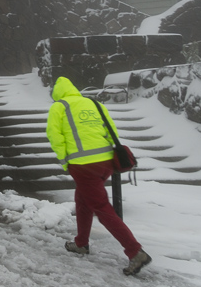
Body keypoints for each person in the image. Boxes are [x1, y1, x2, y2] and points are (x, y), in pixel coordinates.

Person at [46, 76, 152, 276]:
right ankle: (81, 243)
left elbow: (55, 136)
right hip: (105, 162)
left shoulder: (59, 107)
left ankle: (135, 251)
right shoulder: (92, 102)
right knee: (83, 200)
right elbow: (109, 129)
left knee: (102, 209)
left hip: (83, 164)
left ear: (57, 93)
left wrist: (65, 161)